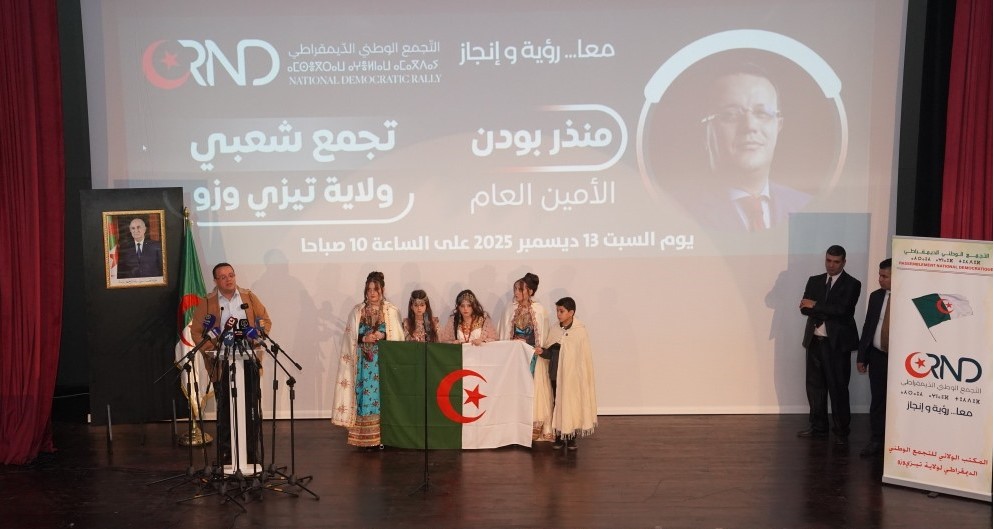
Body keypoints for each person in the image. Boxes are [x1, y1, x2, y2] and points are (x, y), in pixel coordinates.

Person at [687, 64, 811, 231]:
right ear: (705, 130)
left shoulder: (808, 207)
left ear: (778, 126)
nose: (749, 126)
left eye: (762, 113)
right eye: (730, 115)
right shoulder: (675, 211)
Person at [189, 262, 271, 466]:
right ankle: (226, 454)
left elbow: (265, 321)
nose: (229, 279)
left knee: (250, 409)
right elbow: (196, 331)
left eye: (231, 275)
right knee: (225, 411)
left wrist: (256, 336)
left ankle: (251, 454)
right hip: (221, 363)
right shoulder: (207, 302)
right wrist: (211, 349)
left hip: (248, 359)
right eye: (223, 277)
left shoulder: (248, 297)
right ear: (216, 281)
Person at [331, 271, 404, 449]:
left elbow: (398, 336)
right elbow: (350, 337)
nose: (372, 293)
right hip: (364, 363)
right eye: (369, 289)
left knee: (384, 396)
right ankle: (366, 439)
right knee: (365, 396)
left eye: (375, 289)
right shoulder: (358, 311)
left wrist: (383, 335)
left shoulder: (391, 311)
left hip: (383, 363)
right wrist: (365, 338)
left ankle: (386, 437)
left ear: (382, 290)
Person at [798, 245, 861, 444]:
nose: (831, 265)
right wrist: (826, 310)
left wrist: (816, 305)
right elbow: (804, 308)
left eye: (835, 262)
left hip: (837, 346)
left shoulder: (852, 284)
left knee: (838, 388)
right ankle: (818, 427)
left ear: (844, 262)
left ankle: (841, 432)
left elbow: (844, 311)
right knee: (814, 388)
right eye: (828, 260)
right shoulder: (814, 280)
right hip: (814, 341)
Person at [534, 297, 597, 450]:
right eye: (557, 311)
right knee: (558, 404)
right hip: (555, 374)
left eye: (561, 311)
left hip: (572, 377)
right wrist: (542, 352)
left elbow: (582, 358)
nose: (558, 314)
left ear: (571, 312)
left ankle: (571, 436)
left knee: (572, 403)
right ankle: (559, 437)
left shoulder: (579, 331)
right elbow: (550, 353)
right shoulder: (555, 329)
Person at [496, 273, 551, 441]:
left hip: (532, 356)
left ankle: (535, 422)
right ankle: (515, 423)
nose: (516, 293)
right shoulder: (509, 309)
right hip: (515, 357)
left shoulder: (539, 310)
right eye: (515, 289)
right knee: (515, 387)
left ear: (530, 291)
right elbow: (504, 333)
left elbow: (543, 336)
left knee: (534, 387)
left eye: (520, 289)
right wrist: (512, 342)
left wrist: (532, 346)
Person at [856, 258, 891, 458]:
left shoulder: (909, 298)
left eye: (884, 276)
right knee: (877, 400)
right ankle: (876, 439)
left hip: (900, 361)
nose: (880, 279)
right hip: (877, 356)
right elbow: (868, 326)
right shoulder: (876, 296)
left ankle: (895, 443)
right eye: (879, 275)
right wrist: (862, 356)